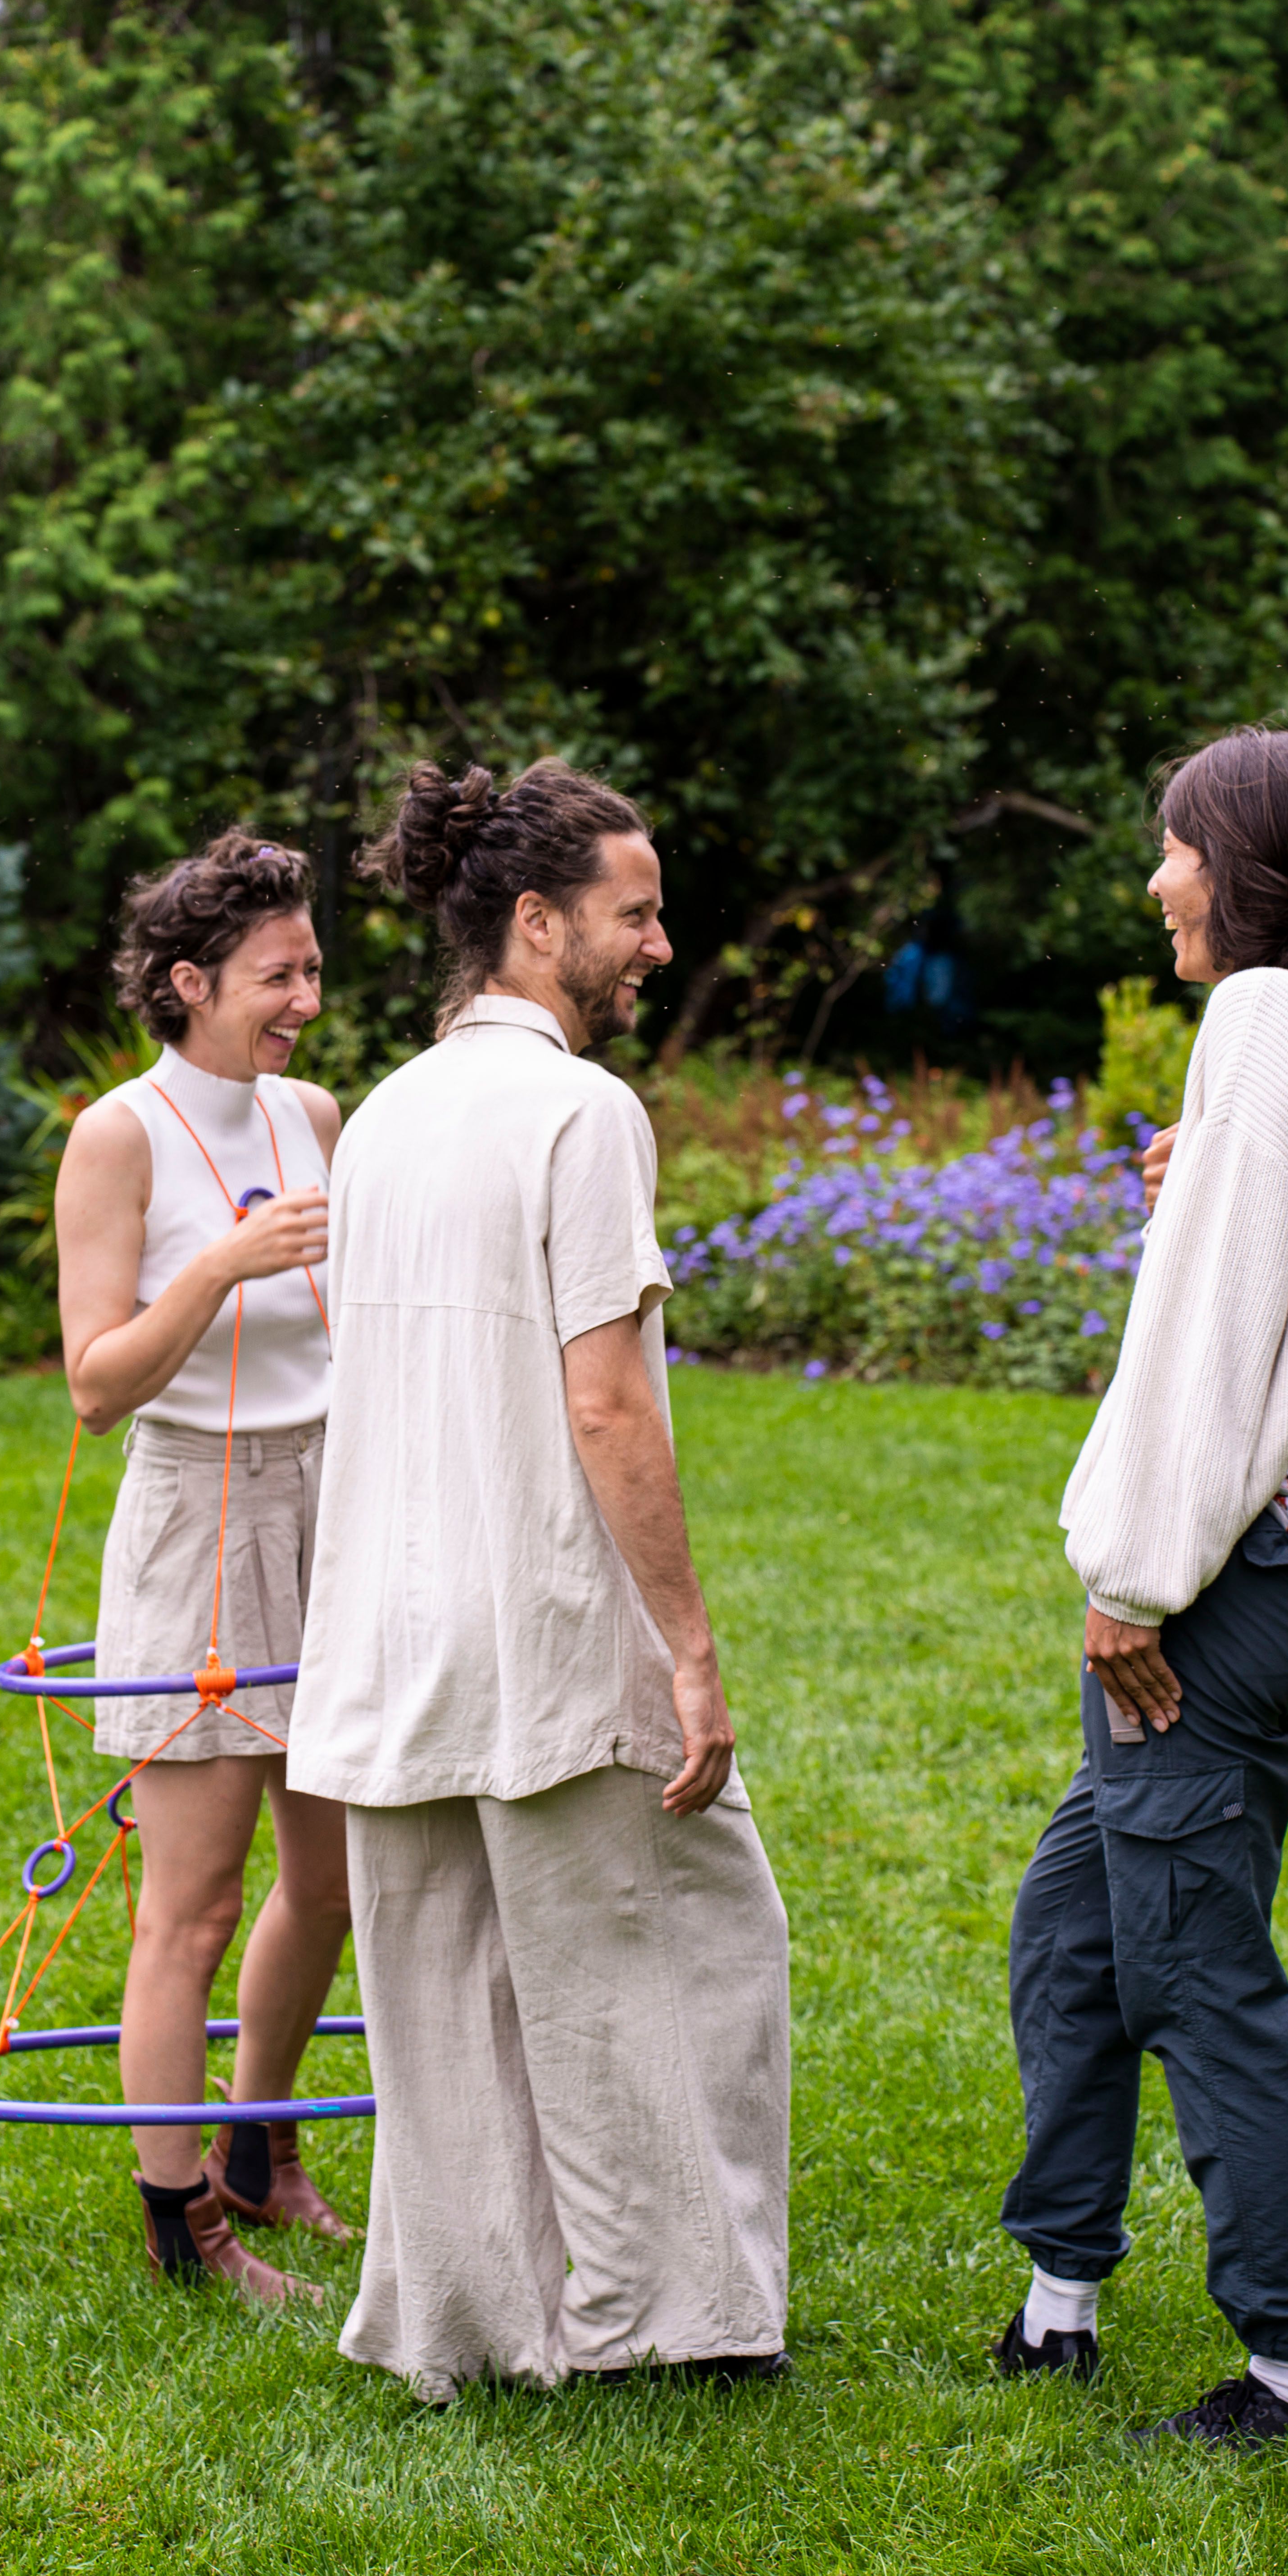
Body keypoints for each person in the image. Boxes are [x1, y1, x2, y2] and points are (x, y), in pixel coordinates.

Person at [285, 757, 791, 2403]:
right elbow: (604, 1398)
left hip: (387, 1627)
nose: (656, 942)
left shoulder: (384, 1116)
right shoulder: (583, 1112)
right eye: (634, 915)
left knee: (441, 1999)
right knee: (672, 1957)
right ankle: (671, 2326)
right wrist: (691, 1650)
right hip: (548, 1623)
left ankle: (472, 2328)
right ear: (534, 921)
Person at [992, 728, 1288, 2444]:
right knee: (1077, 1924)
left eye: (1173, 847)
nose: (1157, 879)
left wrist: (1133, 1576)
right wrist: (1199, 1193)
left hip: (1226, 1570)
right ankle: (1060, 2297)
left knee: (1192, 1963)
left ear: (1235, 858)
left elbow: (1208, 1349)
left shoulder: (1258, 1024)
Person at [55, 829, 353, 2304]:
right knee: (194, 1899)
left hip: (333, 1505)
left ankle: (261, 2148)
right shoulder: (122, 1135)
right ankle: (185, 2223)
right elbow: (97, 1383)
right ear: (190, 981)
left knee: (339, 1872)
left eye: (311, 967)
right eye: (277, 973)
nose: (307, 996)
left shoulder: (313, 1113)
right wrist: (219, 1269)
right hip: (201, 1513)